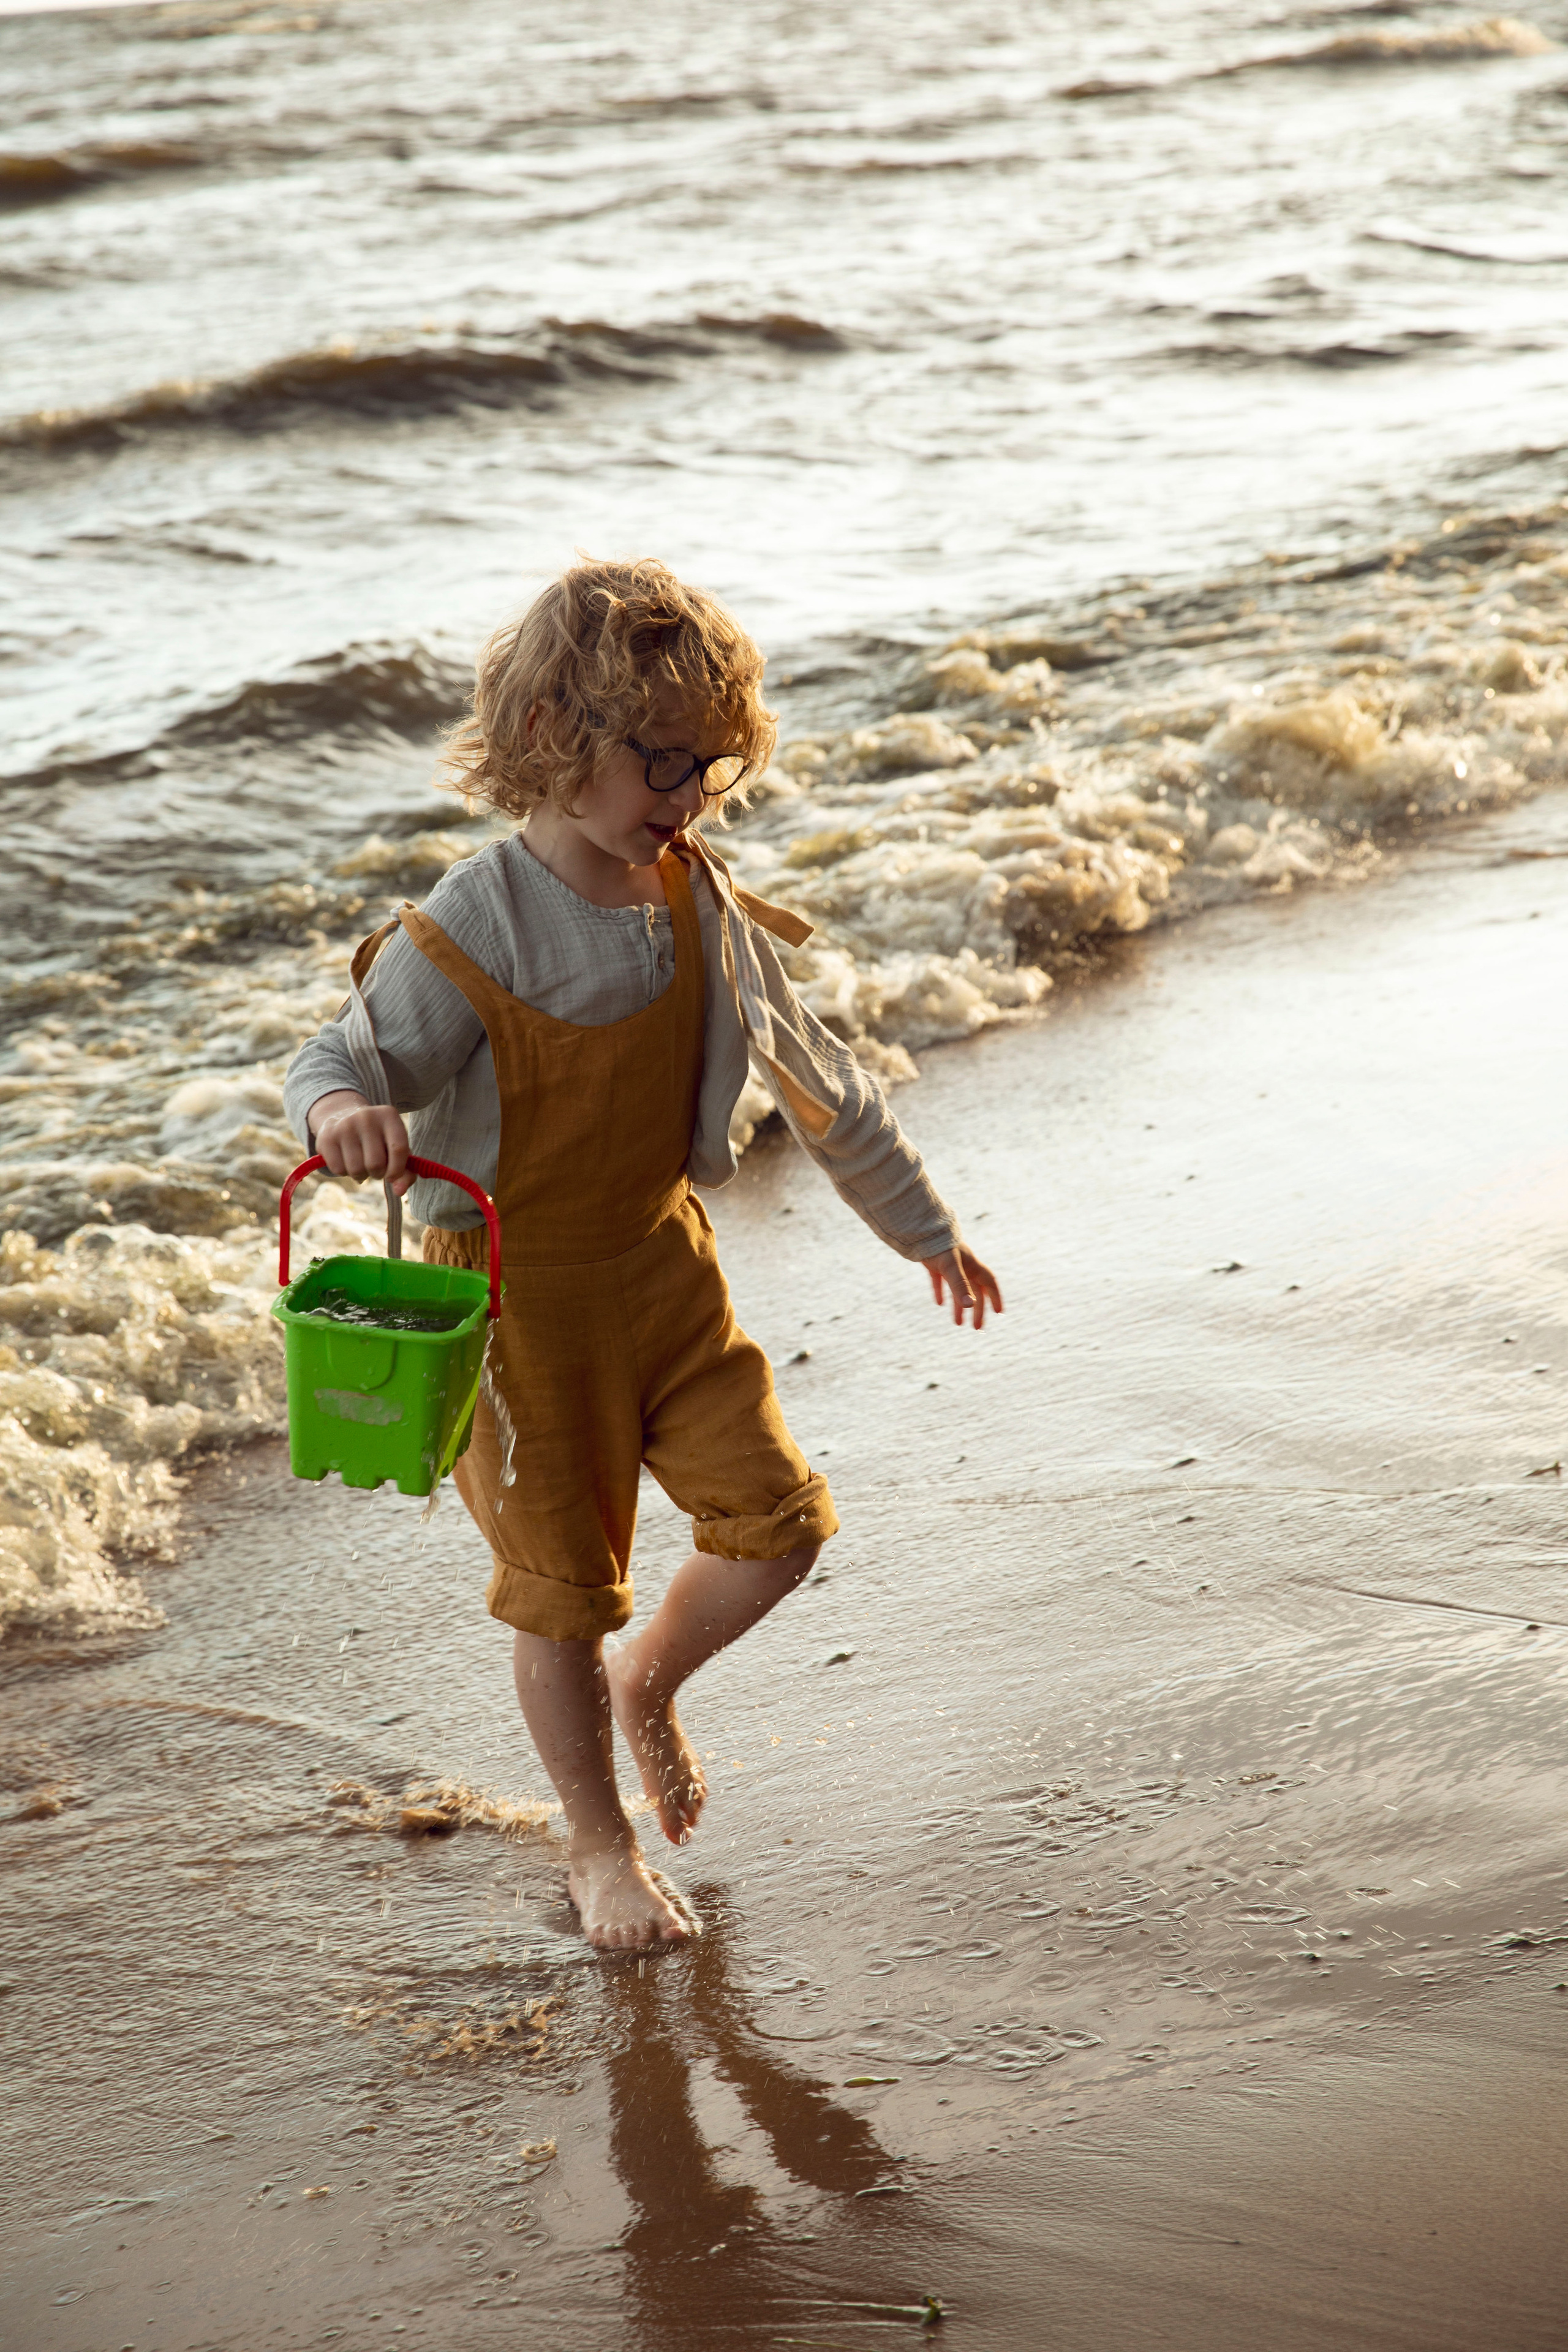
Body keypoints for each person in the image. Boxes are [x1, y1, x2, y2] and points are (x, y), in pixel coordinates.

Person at [284, 558, 1001, 1954]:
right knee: (558, 1593)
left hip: (664, 1272)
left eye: (711, 767)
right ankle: (597, 1845)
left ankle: (650, 1685)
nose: (685, 796)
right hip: (515, 1306)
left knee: (780, 1525)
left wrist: (925, 1229)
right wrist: (345, 1113)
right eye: (658, 759)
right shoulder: (470, 925)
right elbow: (332, 1054)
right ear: (555, 735)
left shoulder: (698, 899)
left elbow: (821, 1082)